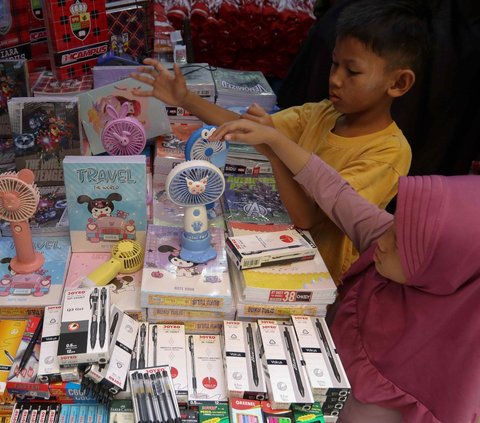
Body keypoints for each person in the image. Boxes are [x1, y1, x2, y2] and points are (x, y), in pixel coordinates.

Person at [131, 0, 430, 284]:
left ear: (399, 83)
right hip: (281, 250)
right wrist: (185, 99)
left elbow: (307, 217)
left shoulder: (389, 152)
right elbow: (249, 129)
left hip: (323, 274)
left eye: (352, 71)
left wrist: (274, 149)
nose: (335, 79)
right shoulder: (323, 112)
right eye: (334, 65)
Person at [210, 118, 480, 422]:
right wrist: (276, 141)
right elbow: (336, 192)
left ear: (442, 268)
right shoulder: (387, 237)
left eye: (402, 243)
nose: (383, 239)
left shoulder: (451, 380)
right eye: (394, 222)